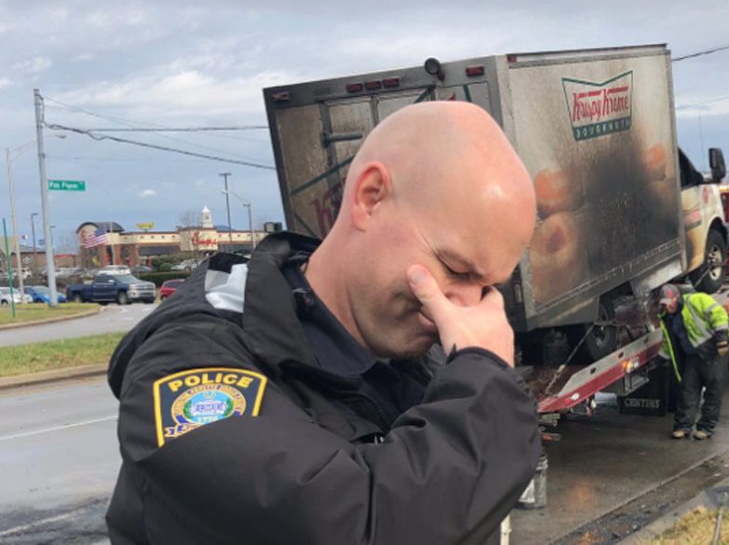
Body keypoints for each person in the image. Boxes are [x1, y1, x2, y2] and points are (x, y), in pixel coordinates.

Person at [105, 101, 542, 544]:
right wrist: (487, 391)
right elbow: (349, 525)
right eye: (456, 269)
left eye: (487, 288)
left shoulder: (426, 363)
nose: (464, 309)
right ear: (370, 197)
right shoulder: (194, 361)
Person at [657, 283, 729, 440]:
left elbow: (718, 314)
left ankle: (705, 428)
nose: (668, 307)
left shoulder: (697, 300)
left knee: (714, 391)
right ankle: (682, 426)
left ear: (677, 298)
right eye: (664, 304)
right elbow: (669, 341)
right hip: (693, 356)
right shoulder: (667, 318)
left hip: (715, 352)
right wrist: (661, 358)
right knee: (687, 390)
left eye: (670, 302)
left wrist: (722, 339)